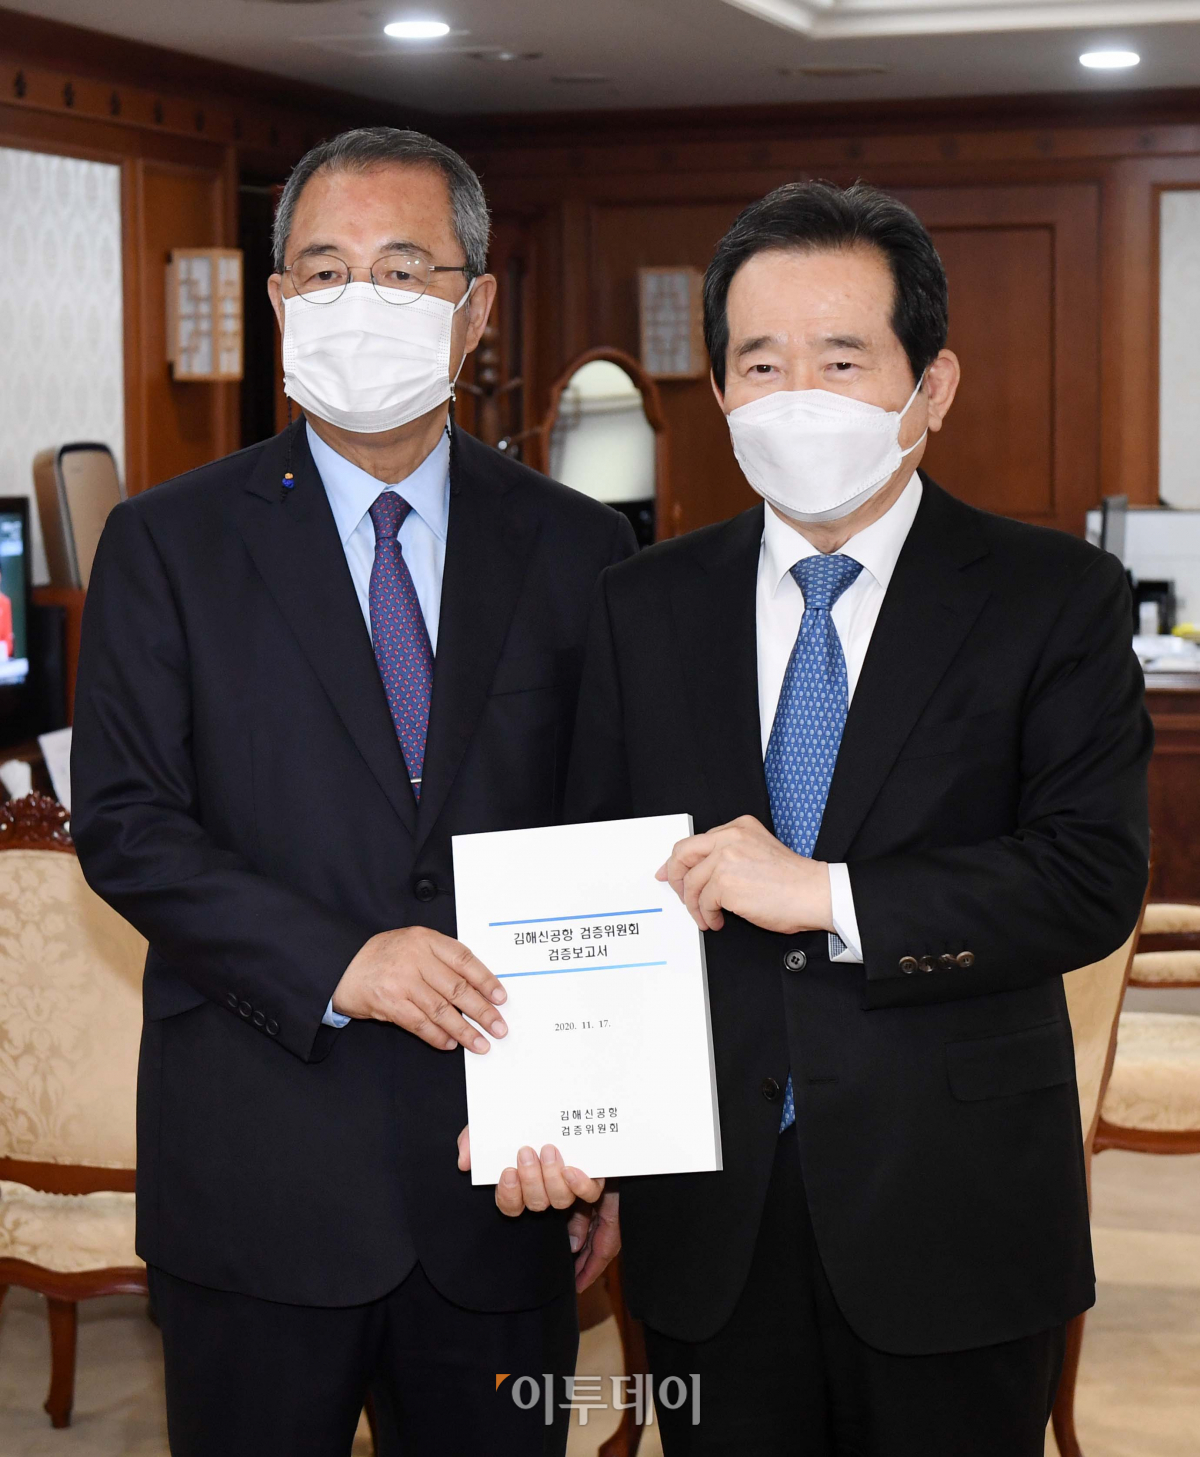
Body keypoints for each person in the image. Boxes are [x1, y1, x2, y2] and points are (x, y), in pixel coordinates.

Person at [509, 181, 1151, 1454]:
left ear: (933, 385)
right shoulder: (643, 604)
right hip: (708, 1215)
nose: (797, 394)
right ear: (721, 389)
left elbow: (1088, 876)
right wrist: (587, 1133)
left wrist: (831, 894)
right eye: (762, 362)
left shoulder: (1054, 596)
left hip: (955, 1209)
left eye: (842, 359)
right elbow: (596, 883)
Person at [70, 127, 635, 1457]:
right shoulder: (166, 542)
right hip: (256, 1183)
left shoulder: (580, 548)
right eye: (323, 272)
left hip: (504, 1179)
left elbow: (612, 846)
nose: (356, 301)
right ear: (278, 303)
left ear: (475, 308)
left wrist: (609, 1129)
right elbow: (128, 826)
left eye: (400, 270)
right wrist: (344, 959)